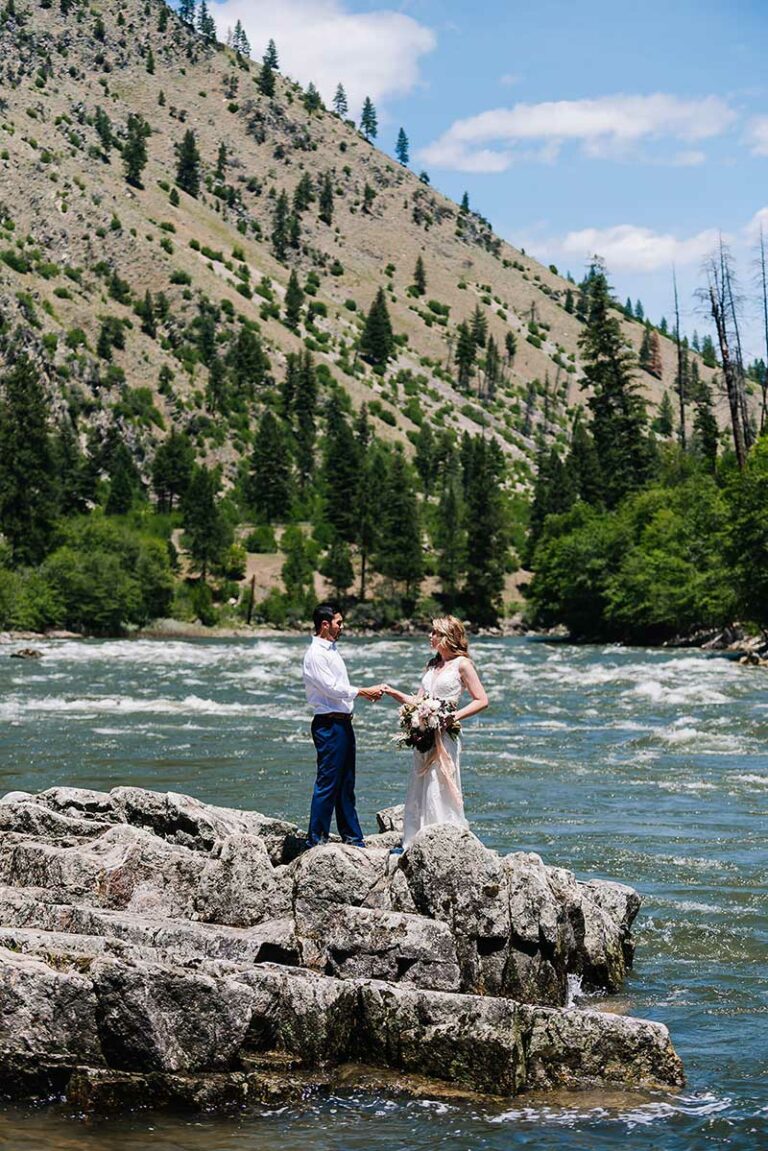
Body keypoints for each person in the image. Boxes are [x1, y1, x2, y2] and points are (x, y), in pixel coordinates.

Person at [383, 616, 488, 849]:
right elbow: (419, 700)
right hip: (425, 733)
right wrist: (394, 693)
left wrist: (453, 717)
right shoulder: (432, 664)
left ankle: (443, 840)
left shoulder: (463, 664)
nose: (430, 637)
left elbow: (482, 700)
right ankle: (415, 840)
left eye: (434, 633)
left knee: (439, 783)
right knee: (420, 782)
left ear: (447, 637)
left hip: (445, 734)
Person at [302, 603, 384, 848]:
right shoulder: (315, 654)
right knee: (327, 784)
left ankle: (353, 838)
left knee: (346, 783)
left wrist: (359, 693)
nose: (342, 627)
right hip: (329, 725)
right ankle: (315, 840)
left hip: (342, 724)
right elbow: (330, 688)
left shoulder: (331, 650)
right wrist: (361, 691)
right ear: (324, 624)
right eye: (338, 622)